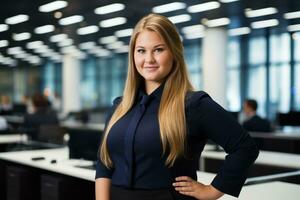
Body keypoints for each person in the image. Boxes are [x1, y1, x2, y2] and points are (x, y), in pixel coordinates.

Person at [95, 13, 259, 200]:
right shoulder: (119, 107)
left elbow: (244, 148)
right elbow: (104, 163)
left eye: (158, 50)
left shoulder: (193, 105)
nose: (149, 59)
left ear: (174, 52)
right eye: (141, 51)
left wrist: (212, 191)